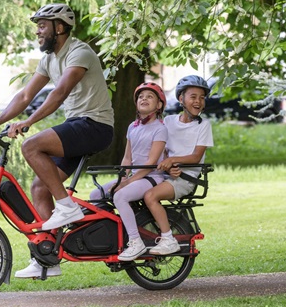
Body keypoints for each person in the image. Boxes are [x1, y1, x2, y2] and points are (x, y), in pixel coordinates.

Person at [0, 3, 114, 278]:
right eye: (38, 26)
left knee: (31, 145)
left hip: (95, 125)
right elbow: (25, 96)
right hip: (77, 125)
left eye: (42, 26)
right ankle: (47, 257)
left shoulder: (80, 52)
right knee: (39, 188)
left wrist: (29, 123)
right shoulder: (48, 59)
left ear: (60, 27)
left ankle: (67, 207)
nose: (38, 32)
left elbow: (61, 92)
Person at [90, 82, 167, 261]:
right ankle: (114, 234)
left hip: (152, 177)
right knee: (96, 194)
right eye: (141, 97)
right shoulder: (133, 126)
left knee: (120, 196)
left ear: (159, 105)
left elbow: (150, 163)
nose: (144, 99)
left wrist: (126, 183)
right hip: (135, 176)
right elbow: (127, 158)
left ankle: (135, 242)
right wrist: (122, 178)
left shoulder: (160, 129)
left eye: (150, 96)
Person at [143, 75, 214, 255]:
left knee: (150, 196)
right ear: (181, 99)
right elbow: (162, 150)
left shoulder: (203, 125)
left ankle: (168, 239)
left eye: (202, 97)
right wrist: (168, 164)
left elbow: (196, 157)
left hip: (185, 179)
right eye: (193, 96)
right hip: (167, 174)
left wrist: (174, 161)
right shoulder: (168, 121)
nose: (198, 101)